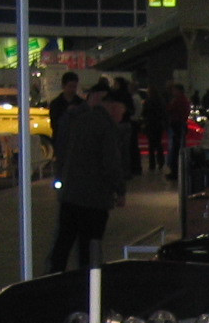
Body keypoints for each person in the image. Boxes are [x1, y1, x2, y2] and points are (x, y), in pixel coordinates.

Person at [47, 80, 127, 274]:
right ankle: (88, 283)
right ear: (113, 106)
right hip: (94, 197)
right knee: (90, 244)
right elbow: (111, 163)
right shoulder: (106, 127)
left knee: (64, 241)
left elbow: (64, 149)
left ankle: (52, 278)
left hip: (71, 194)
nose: (121, 116)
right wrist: (120, 190)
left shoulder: (80, 120)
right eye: (122, 111)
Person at [165, 82, 190, 180]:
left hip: (177, 125)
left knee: (175, 149)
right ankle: (175, 171)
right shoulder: (183, 100)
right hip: (180, 124)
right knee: (177, 148)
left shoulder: (179, 100)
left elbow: (170, 109)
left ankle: (175, 171)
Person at [142, 83, 168, 172]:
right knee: (158, 143)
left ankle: (152, 164)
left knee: (151, 145)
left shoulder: (148, 101)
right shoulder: (161, 100)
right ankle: (161, 161)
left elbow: (144, 113)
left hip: (151, 124)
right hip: (159, 124)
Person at [47, 70, 82, 135]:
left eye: (74, 87)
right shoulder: (56, 104)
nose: (72, 90)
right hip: (61, 139)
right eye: (70, 86)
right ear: (63, 86)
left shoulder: (80, 103)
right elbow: (54, 125)